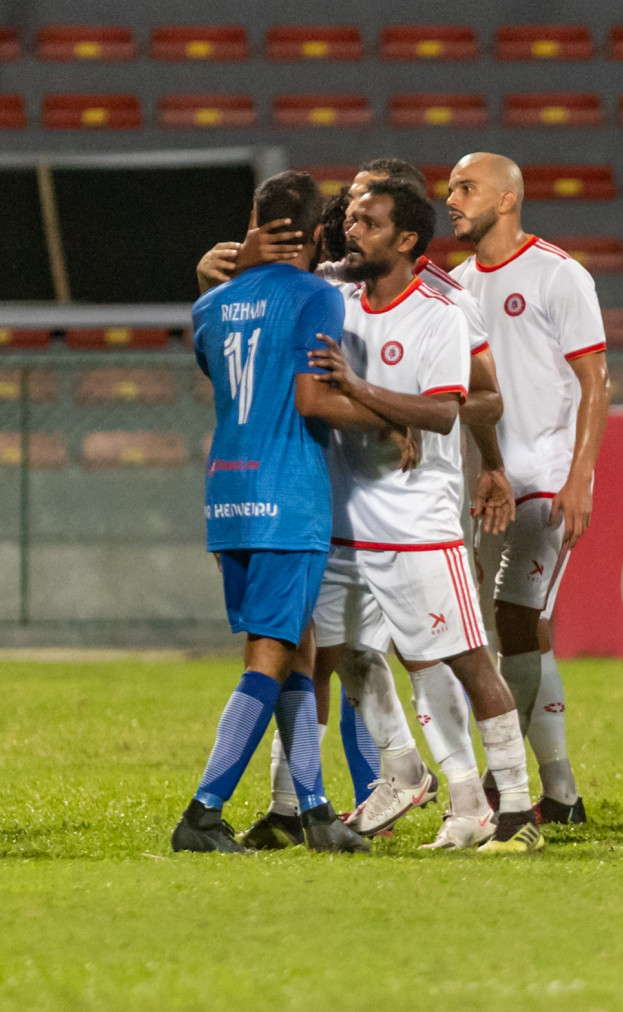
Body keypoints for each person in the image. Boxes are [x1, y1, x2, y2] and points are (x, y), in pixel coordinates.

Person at [301, 177, 546, 855]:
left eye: (367, 222)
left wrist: (363, 392)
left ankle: (516, 814)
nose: (350, 231)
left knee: (462, 658)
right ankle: (404, 770)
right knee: (345, 652)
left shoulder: (438, 312)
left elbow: (444, 411)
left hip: (417, 523)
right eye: (349, 219)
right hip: (347, 514)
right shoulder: (336, 297)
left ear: (406, 240)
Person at [174, 171, 374, 854]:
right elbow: (311, 396)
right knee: (271, 651)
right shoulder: (318, 297)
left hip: (227, 493)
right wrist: (391, 416)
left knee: (294, 646)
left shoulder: (209, 305)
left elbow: (227, 376)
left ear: (254, 224)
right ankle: (202, 814)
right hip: (288, 494)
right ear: (317, 231)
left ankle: (314, 811)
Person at [446, 152, 612, 826]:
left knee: (513, 619)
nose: (451, 199)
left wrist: (579, 478)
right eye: (450, 188)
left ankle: (499, 779)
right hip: (488, 482)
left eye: (466, 187)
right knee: (522, 632)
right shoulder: (455, 287)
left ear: (508, 198)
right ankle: (561, 793)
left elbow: (597, 381)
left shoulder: (558, 274)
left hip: (546, 479)